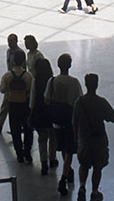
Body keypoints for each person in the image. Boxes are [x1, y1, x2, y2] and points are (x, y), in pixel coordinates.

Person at [73, 73, 114, 201]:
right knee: (97, 166)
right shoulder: (101, 102)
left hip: (84, 140)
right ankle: (94, 191)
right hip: (98, 140)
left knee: (83, 164)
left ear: (85, 84)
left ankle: (81, 187)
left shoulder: (79, 102)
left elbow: (74, 122)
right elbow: (112, 117)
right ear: (97, 85)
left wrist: (75, 139)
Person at [45, 53, 83, 197]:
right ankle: (64, 177)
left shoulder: (52, 81)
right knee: (70, 148)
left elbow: (47, 99)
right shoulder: (74, 82)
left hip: (57, 119)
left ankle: (68, 171)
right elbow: (79, 100)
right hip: (69, 119)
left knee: (62, 146)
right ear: (70, 65)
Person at [0, 50, 33, 163]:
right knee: (28, 129)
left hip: (13, 105)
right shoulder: (28, 76)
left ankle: (19, 153)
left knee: (15, 129)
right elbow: (31, 90)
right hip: (25, 105)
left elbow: (2, 89)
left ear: (13, 61)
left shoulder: (8, 75)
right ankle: (27, 152)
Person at [0, 34, 21, 133]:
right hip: (10, 79)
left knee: (13, 106)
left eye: (11, 41)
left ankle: (15, 126)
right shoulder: (9, 52)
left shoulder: (19, 53)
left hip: (16, 81)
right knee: (6, 104)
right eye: (8, 41)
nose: (9, 43)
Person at [31, 57, 58, 176]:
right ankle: (53, 158)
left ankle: (44, 162)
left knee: (42, 139)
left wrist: (30, 113)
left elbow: (32, 99)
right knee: (53, 137)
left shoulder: (35, 81)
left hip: (39, 113)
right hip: (51, 113)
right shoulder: (52, 80)